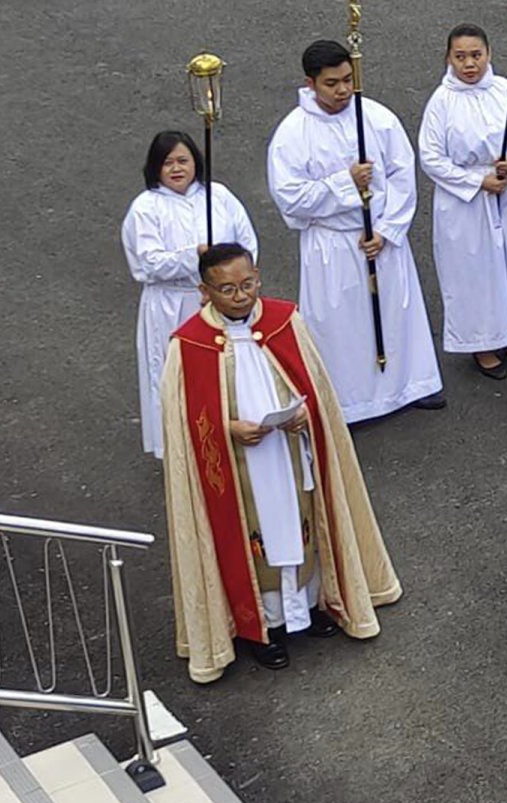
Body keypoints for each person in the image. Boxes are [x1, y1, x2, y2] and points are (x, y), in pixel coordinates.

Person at [157, 246, 399, 682]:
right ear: (204, 291)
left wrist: (307, 416)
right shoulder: (188, 344)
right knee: (257, 535)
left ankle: (306, 606)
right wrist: (229, 428)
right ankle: (262, 627)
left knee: (302, 523)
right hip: (240, 466)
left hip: (289, 456)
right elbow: (179, 422)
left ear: (258, 278)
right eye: (226, 289)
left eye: (246, 284)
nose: (239, 296)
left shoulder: (285, 321)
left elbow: (317, 387)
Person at [266, 40, 445, 423]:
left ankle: (411, 385)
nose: (343, 90)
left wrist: (387, 229)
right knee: (341, 327)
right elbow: (291, 199)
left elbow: (402, 173)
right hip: (333, 242)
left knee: (395, 314)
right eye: (332, 83)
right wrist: (345, 183)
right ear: (310, 83)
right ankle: (347, 404)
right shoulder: (293, 134)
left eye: (348, 80)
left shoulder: (376, 118)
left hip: (379, 238)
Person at [416, 25, 507, 381]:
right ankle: (481, 340)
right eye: (460, 56)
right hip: (467, 200)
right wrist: (477, 181)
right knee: (476, 270)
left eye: (476, 55)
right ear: (448, 58)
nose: (469, 64)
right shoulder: (442, 102)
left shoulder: (506, 91)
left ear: (489, 54)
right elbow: (431, 157)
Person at [124, 130, 260, 460]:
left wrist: (224, 286)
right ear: (155, 167)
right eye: (167, 162)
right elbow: (147, 262)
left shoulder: (219, 197)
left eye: (182, 160)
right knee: (178, 376)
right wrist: (195, 257)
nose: (176, 169)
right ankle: (182, 447)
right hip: (173, 303)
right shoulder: (146, 208)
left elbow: (247, 243)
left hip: (221, 302)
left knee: (229, 370)